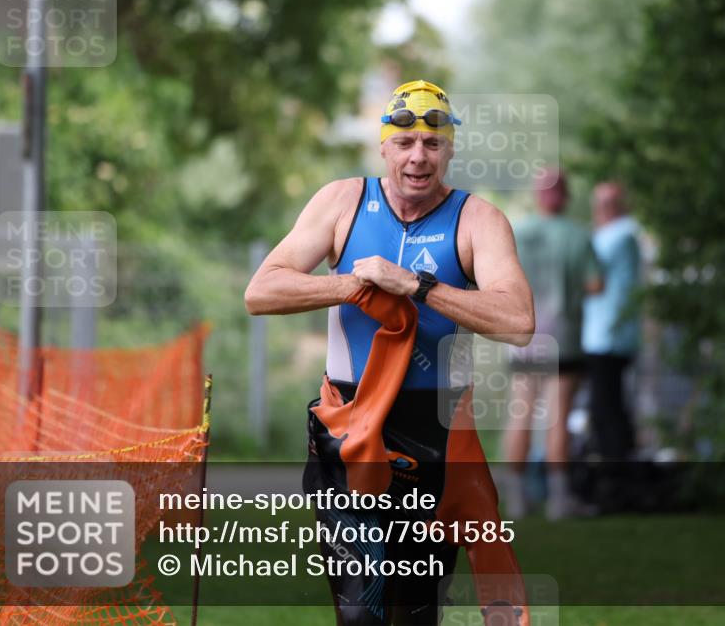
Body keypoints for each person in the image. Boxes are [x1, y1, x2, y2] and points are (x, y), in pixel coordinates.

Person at [244, 80, 535, 626]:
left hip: (434, 438)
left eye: (432, 143)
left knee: (414, 614)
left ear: (449, 149)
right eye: (404, 144)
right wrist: (357, 285)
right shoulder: (342, 202)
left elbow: (519, 322)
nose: (418, 157)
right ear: (383, 146)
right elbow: (262, 291)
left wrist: (416, 286)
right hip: (350, 428)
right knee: (359, 612)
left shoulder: (478, 220)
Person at [502, 170, 602, 520]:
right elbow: (596, 285)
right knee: (557, 418)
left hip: (524, 336)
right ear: (567, 196)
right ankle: (559, 501)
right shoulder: (578, 236)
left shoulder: (518, 233)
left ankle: (517, 499)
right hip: (565, 337)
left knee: (521, 415)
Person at [582, 181, 641, 509]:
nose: (603, 209)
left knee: (607, 411)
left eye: (610, 202)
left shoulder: (621, 234)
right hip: (605, 335)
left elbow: (588, 277)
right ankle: (616, 480)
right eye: (600, 202)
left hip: (608, 337)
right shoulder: (616, 234)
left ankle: (615, 484)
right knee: (609, 409)